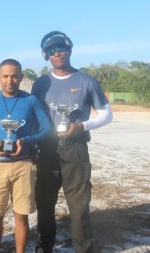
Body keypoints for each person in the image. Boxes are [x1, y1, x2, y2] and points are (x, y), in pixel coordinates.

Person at [32, 31, 113, 253]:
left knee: (78, 208)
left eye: (60, 49)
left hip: (75, 149)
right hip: (47, 151)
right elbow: (33, 117)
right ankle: (43, 248)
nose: (56, 54)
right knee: (45, 205)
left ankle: (83, 250)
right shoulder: (40, 83)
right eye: (51, 51)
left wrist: (82, 126)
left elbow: (107, 114)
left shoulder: (86, 80)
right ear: (45, 55)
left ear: (69, 50)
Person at [0, 59, 52, 253]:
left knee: (21, 215)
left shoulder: (30, 100)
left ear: (21, 77)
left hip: (23, 165)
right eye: (5, 76)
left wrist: (25, 140)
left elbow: (47, 129)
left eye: (14, 76)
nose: (10, 80)